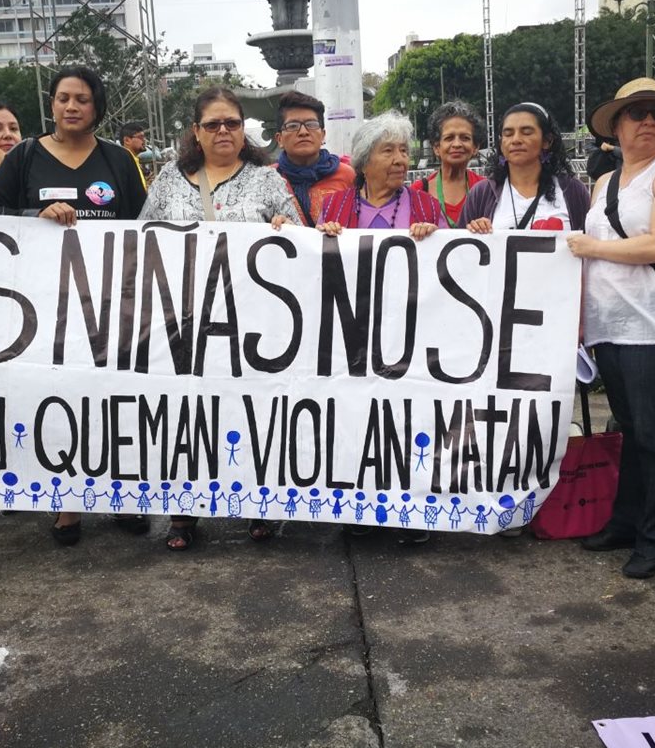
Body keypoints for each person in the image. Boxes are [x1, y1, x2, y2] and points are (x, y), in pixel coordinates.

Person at [0, 65, 148, 546]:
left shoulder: (119, 160)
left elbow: (145, 225)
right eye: (62, 98)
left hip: (110, 305)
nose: (71, 106)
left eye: (82, 99)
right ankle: (66, 503)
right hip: (43, 307)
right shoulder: (25, 157)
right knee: (57, 400)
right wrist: (33, 215)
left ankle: (122, 497)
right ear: (51, 104)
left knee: (115, 400)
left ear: (97, 107)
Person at [139, 86, 299, 550]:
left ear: (243, 127)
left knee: (254, 414)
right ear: (196, 131)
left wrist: (286, 232)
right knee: (186, 415)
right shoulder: (169, 180)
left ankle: (258, 505)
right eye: (213, 124)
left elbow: (301, 241)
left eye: (231, 122)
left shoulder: (268, 181)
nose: (223, 131)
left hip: (254, 324)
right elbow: (139, 240)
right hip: (183, 324)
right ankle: (184, 513)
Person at [566, 79, 655, 579]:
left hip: (654, 321)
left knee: (654, 432)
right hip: (611, 324)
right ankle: (627, 521)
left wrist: (589, 247)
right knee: (629, 428)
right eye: (636, 113)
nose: (647, 121)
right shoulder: (605, 184)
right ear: (617, 126)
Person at [318, 111, 445, 545]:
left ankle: (411, 510)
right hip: (350, 337)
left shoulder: (427, 206)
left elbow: (453, 265)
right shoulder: (333, 206)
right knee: (355, 419)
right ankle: (360, 507)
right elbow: (310, 263)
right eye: (387, 150)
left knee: (406, 420)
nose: (399, 159)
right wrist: (322, 236)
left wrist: (437, 235)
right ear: (363, 160)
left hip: (409, 336)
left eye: (404, 150)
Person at [459, 102, 590, 233]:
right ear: (501, 143)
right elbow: (460, 247)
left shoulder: (573, 190)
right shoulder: (481, 194)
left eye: (526, 132)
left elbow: (589, 243)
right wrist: (475, 229)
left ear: (547, 141)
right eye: (508, 134)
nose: (516, 140)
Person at [273, 90, 356, 227]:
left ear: (323, 135)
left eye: (311, 124)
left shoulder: (348, 176)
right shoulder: (268, 179)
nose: (303, 132)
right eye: (292, 126)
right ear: (279, 139)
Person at [409, 100, 486, 227]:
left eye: (465, 138)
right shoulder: (417, 192)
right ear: (436, 148)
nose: (457, 144)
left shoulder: (486, 191)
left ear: (475, 147)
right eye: (449, 138)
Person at [119, 120, 149, 190]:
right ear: (127, 140)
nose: (144, 140)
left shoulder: (134, 161)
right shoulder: (122, 164)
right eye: (141, 137)